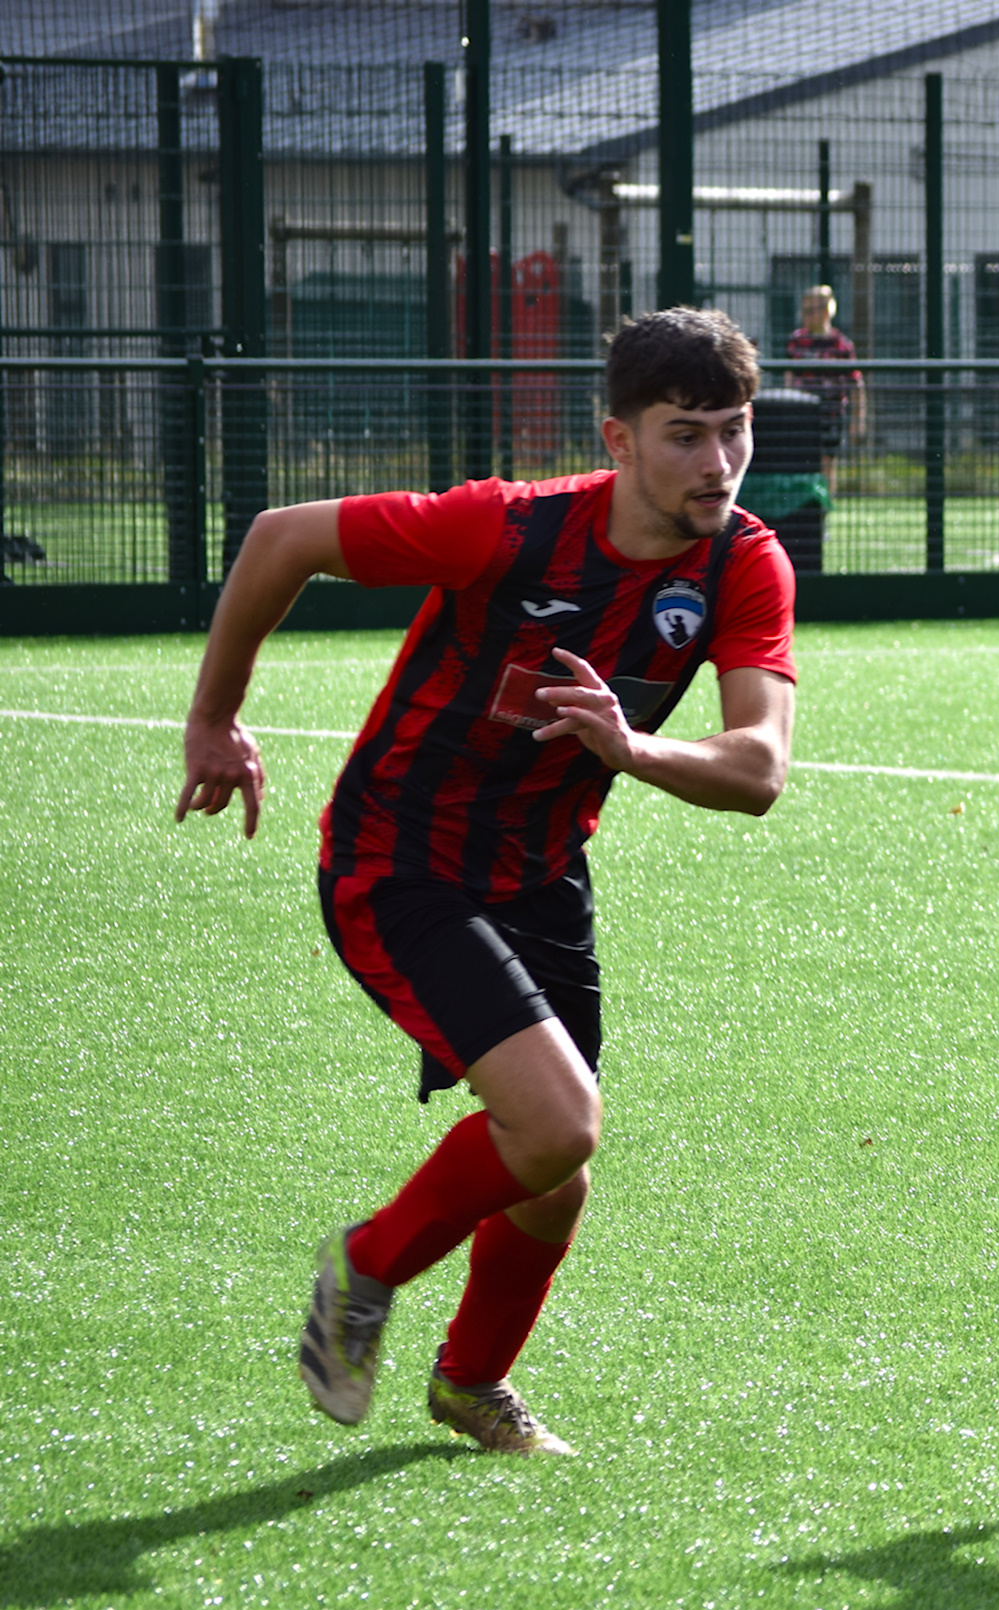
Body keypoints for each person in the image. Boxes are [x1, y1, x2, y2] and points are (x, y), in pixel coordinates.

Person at [175, 307, 798, 1455]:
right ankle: (368, 1264)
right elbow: (278, 537)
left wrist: (630, 748)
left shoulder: (743, 561)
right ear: (618, 439)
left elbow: (758, 768)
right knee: (557, 1123)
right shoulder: (504, 528)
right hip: (399, 860)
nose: (718, 462)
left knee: (553, 1173)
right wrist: (215, 718)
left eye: (734, 430)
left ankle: (471, 1383)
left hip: (540, 874)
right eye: (685, 435)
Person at [785, 284, 862, 499]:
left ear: (827, 311)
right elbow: (789, 377)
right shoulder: (797, 342)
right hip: (802, 412)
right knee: (802, 461)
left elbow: (856, 384)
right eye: (805, 310)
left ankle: (823, 507)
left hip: (831, 412)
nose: (807, 316)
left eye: (812, 310)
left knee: (827, 463)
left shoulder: (841, 345)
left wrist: (858, 421)